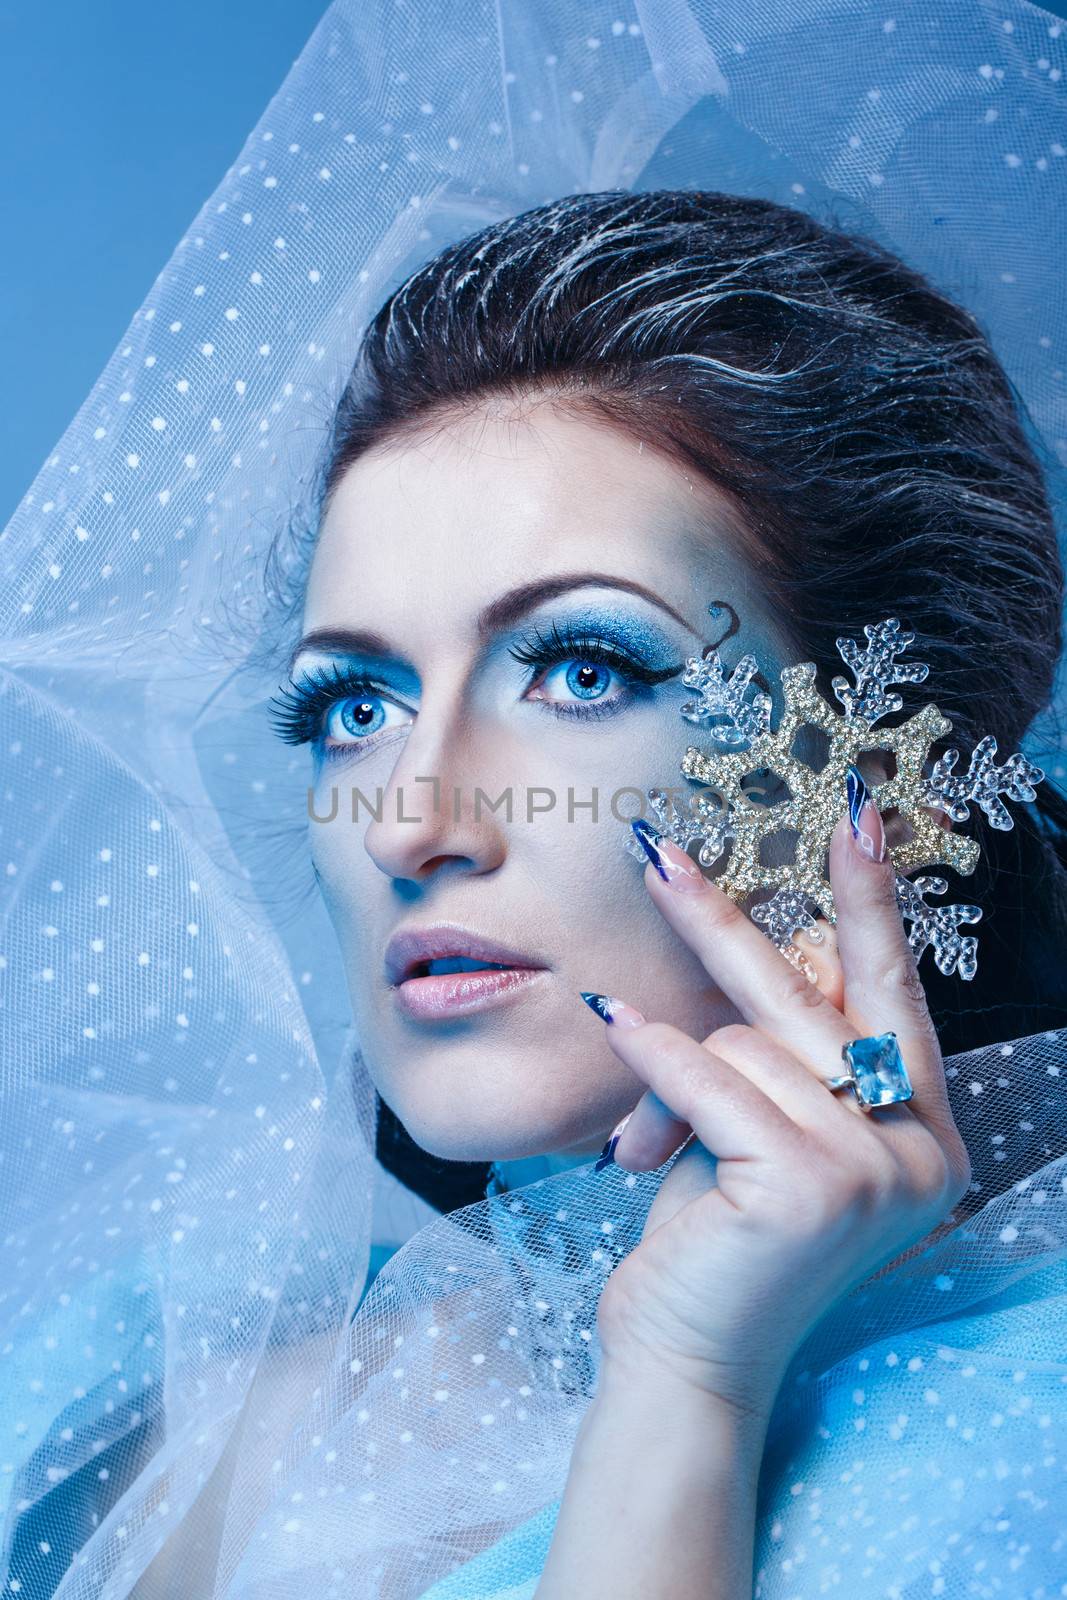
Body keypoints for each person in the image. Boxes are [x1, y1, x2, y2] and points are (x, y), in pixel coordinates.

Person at [2, 5, 1066, 1599]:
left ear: (887, 779)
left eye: (578, 672)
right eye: (351, 707)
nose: (411, 816)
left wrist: (689, 1386)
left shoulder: (1008, 1452)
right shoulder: (144, 1354)